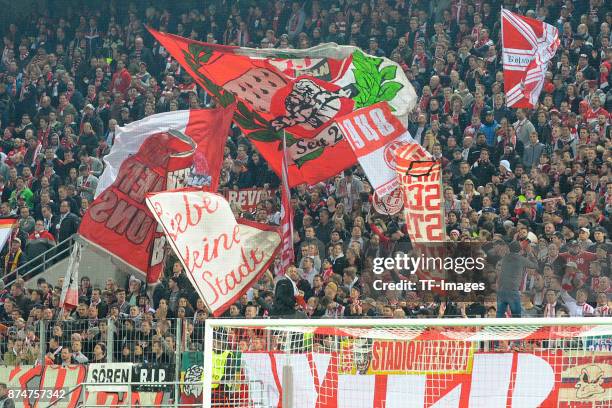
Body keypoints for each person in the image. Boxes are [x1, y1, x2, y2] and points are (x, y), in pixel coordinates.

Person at [497, 241, 538, 317]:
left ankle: (495, 328)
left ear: (509, 249)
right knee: (516, 316)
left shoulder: (505, 258)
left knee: (499, 315)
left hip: (502, 290)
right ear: (519, 250)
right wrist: (530, 254)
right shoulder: (520, 259)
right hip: (513, 291)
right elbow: (535, 266)